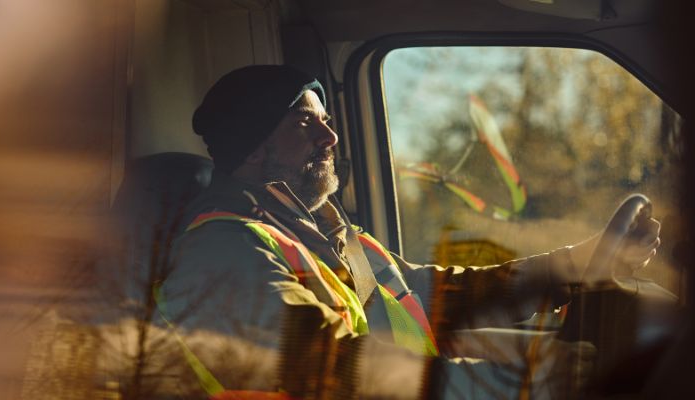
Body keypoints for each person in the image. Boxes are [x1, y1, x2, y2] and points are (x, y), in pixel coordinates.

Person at [159, 65, 661, 399]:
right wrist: (517, 383)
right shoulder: (222, 249)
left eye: (326, 120)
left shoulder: (328, 234)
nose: (330, 136)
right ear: (252, 149)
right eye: (304, 124)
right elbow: (326, 368)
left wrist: (573, 264)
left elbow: (433, 295)